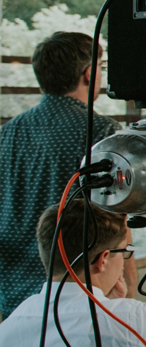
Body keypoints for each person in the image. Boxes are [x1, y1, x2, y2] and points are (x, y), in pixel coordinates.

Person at [0, 202, 146, 347]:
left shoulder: (7, 328)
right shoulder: (134, 319)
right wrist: (119, 308)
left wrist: (110, 304)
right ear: (103, 260)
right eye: (124, 252)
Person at [0, 31, 118, 314]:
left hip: (10, 291)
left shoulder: (8, 133)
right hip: (74, 288)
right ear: (89, 74)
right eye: (100, 68)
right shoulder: (100, 132)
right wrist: (121, 278)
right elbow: (113, 217)